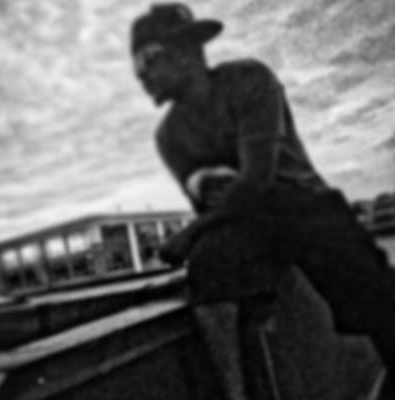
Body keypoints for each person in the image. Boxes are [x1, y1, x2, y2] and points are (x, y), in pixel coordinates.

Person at [130, 4, 395, 399]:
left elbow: (258, 178)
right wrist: (205, 227)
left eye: (147, 58)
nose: (141, 74)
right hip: (244, 223)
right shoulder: (170, 136)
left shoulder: (249, 80)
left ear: (185, 52)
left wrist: (192, 232)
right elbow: (213, 202)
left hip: (306, 206)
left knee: (377, 300)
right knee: (208, 266)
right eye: (136, 65)